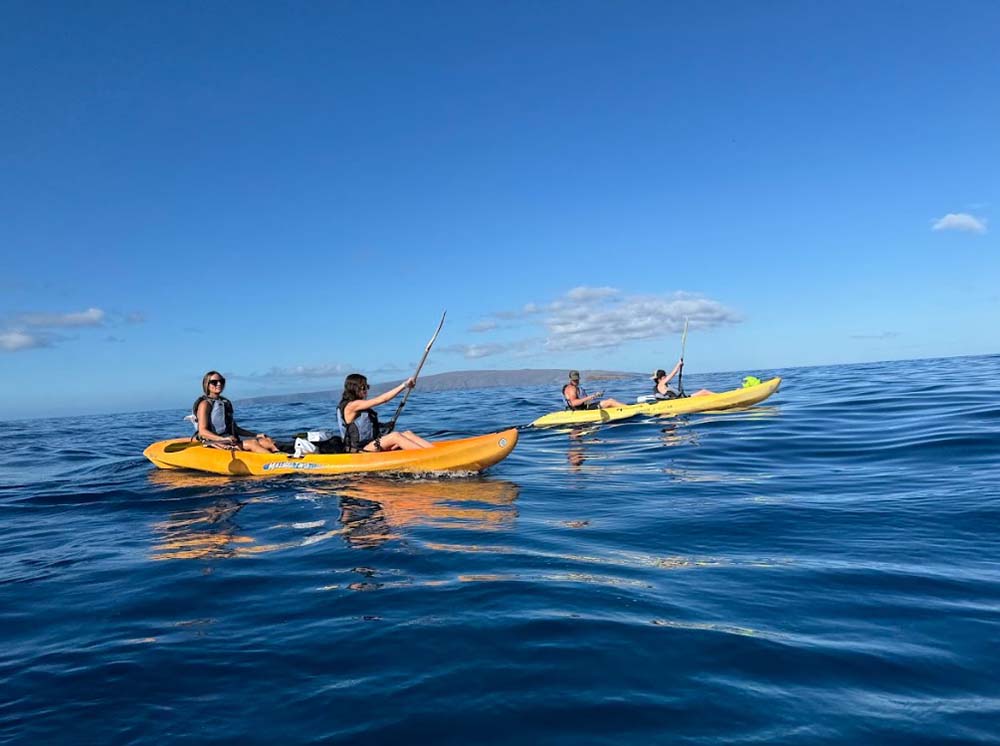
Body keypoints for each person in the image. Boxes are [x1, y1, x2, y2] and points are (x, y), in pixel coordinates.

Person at [337, 373, 433, 452]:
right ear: (354, 388)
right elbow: (383, 399)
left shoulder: (360, 405)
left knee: (407, 433)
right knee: (395, 436)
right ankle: (430, 456)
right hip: (360, 450)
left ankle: (433, 451)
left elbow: (368, 427)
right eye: (364, 387)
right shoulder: (352, 406)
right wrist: (404, 385)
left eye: (367, 386)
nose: (366, 390)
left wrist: (386, 426)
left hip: (370, 444)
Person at [193, 371, 280, 453]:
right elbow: (203, 431)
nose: (219, 384)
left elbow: (235, 429)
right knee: (252, 444)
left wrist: (256, 435)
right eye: (214, 382)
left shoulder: (224, 403)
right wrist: (221, 439)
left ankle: (284, 458)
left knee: (267, 441)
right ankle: (275, 464)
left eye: (221, 381)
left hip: (228, 439)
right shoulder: (205, 404)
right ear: (207, 385)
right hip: (214, 442)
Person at [562, 370, 626, 410]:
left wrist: (595, 396)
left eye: (577, 379)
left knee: (610, 400)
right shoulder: (571, 388)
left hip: (584, 407)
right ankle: (629, 409)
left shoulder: (577, 388)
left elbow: (585, 402)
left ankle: (625, 408)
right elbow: (574, 403)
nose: (576, 381)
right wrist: (590, 397)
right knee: (610, 402)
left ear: (579, 378)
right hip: (580, 410)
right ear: (570, 379)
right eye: (574, 379)